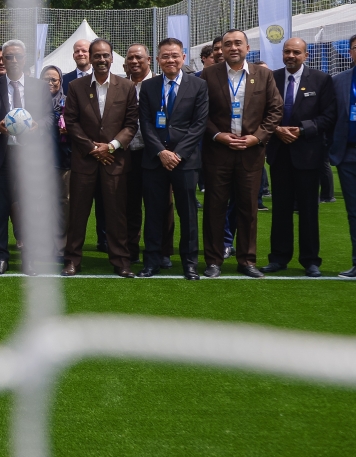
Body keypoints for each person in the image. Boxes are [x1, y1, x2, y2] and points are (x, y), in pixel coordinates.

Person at [200, 29, 283, 279]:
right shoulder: (208, 75)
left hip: (251, 154)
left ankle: (247, 261)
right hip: (218, 154)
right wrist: (218, 135)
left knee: (248, 209)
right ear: (221, 50)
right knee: (214, 208)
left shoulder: (264, 75)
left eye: (238, 43)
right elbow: (200, 113)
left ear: (248, 47)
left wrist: (256, 137)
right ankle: (213, 261)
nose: (233, 48)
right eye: (228, 44)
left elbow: (275, 110)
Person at [62, 38, 139, 277]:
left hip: (114, 162)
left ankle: (120, 261)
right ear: (90, 58)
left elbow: (131, 124)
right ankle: (72, 260)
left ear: (112, 58)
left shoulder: (126, 87)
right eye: (97, 56)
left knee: (117, 215)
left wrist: (112, 147)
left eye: (106, 55)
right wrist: (92, 148)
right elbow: (71, 122)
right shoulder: (76, 86)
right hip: (85, 162)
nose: (102, 60)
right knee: (77, 215)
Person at [0, 41, 54, 275]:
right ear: (2, 60)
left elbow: (51, 117)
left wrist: (37, 125)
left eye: (17, 56)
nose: (12, 61)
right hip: (1, 157)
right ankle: (2, 257)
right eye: (7, 57)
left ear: (25, 58)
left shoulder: (39, 87)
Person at [136, 38, 209, 280]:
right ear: (157, 59)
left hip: (185, 160)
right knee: (155, 212)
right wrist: (161, 152)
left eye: (175, 55)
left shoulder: (198, 85)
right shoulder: (149, 87)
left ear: (183, 57)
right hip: (155, 159)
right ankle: (152, 261)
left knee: (187, 213)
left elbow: (198, 125)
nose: (170, 60)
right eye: (165, 56)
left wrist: (177, 154)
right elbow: (145, 123)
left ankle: (190, 263)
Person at [263, 38, 336, 277]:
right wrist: (276, 130)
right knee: (280, 209)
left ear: (306, 55)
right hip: (279, 153)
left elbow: (328, 116)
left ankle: (310, 260)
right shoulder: (271, 78)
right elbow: (261, 112)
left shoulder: (321, 80)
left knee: (308, 210)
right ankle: (278, 258)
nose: (290, 56)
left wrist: (303, 130)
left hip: (308, 153)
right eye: (287, 52)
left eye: (296, 52)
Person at [328, 34, 356, 278]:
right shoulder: (339, 81)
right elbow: (330, 117)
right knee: (354, 211)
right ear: (350, 52)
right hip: (348, 154)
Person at [123, 44, 152, 263]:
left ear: (148, 60)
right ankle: (131, 249)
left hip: (154, 153)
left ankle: (160, 251)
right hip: (127, 152)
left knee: (158, 205)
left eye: (138, 58)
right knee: (129, 204)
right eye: (130, 58)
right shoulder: (122, 86)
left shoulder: (159, 83)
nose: (134, 61)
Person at [42, 65, 71, 247]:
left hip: (63, 159)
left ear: (60, 82)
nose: (50, 83)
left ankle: (61, 243)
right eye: (46, 79)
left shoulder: (69, 102)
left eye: (54, 79)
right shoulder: (32, 101)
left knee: (62, 202)